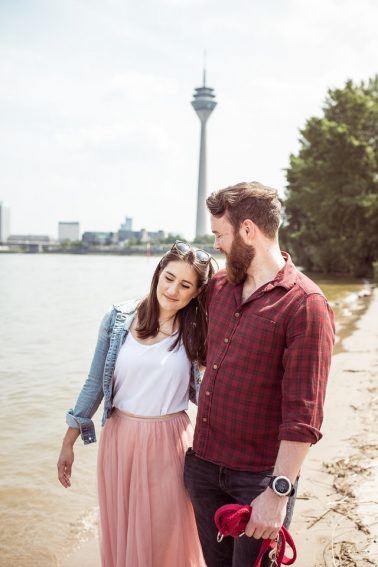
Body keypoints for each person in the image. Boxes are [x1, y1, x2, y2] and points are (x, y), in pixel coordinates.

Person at [184, 181, 335, 567]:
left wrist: (278, 492)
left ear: (248, 231)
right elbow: (173, 316)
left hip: (257, 481)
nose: (216, 244)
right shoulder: (218, 286)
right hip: (203, 469)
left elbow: (304, 416)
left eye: (220, 234)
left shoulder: (306, 305)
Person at [57, 241, 216, 567]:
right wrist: (69, 441)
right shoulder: (117, 319)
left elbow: (212, 394)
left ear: (197, 292)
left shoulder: (198, 330)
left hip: (170, 443)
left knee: (167, 533)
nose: (172, 290)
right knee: (124, 530)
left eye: (185, 284)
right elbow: (93, 383)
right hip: (120, 439)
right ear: (158, 274)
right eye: (168, 278)